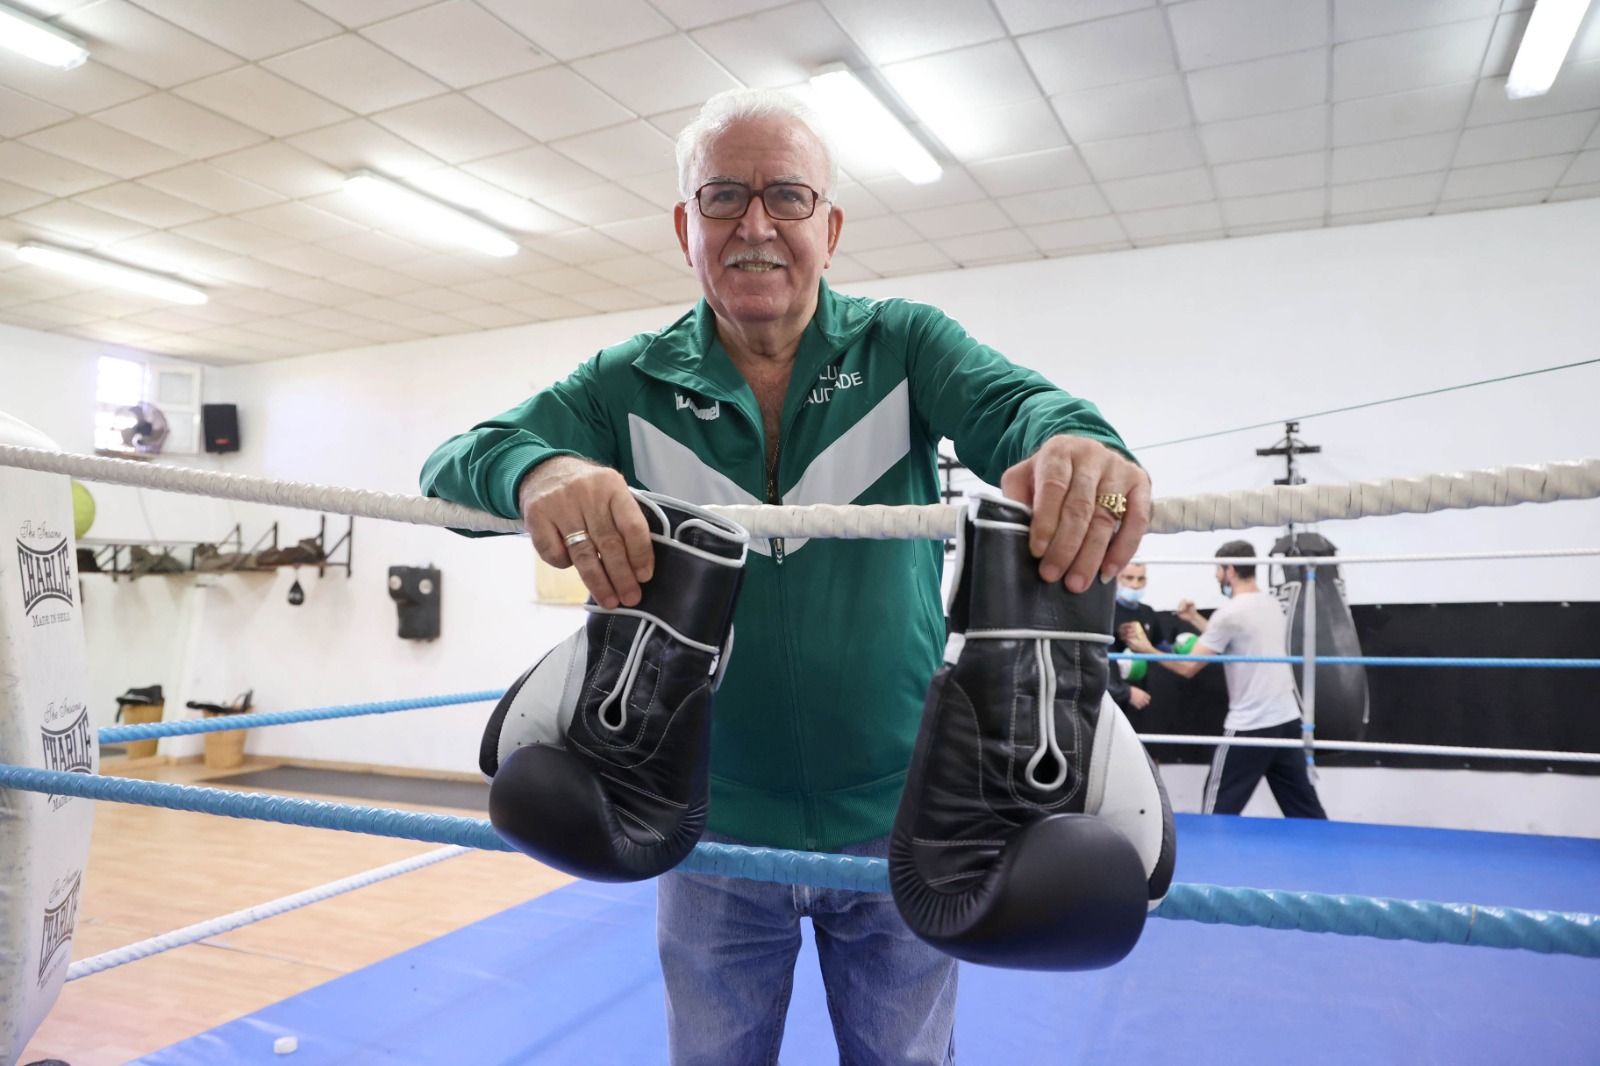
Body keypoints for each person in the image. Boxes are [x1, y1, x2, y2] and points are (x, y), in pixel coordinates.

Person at [420, 88, 1151, 1066]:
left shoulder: (903, 346)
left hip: (900, 823)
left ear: (830, 225)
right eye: (722, 197)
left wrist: (1091, 458)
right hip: (710, 826)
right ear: (685, 226)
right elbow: (451, 467)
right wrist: (539, 469)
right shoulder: (624, 383)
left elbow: (1033, 413)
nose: (754, 224)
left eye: (787, 197)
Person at [1121, 541, 1327, 819]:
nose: (1216, 575)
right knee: (1305, 810)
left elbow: (1188, 666)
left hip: (1251, 726)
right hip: (1286, 720)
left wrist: (1146, 649)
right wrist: (1194, 618)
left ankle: (1205, 861)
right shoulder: (1269, 604)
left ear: (1230, 569)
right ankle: (1325, 858)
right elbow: (1236, 644)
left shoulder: (1229, 614)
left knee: (1216, 810)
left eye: (1218, 569)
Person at [1109, 562, 1171, 712]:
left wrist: (1183, 647)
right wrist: (1124, 692)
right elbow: (1094, 658)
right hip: (1112, 695)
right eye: (1129, 578)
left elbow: (1163, 648)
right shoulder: (1106, 611)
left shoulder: (1147, 612)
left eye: (1140, 579)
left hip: (1142, 692)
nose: (1135, 584)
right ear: (1117, 578)